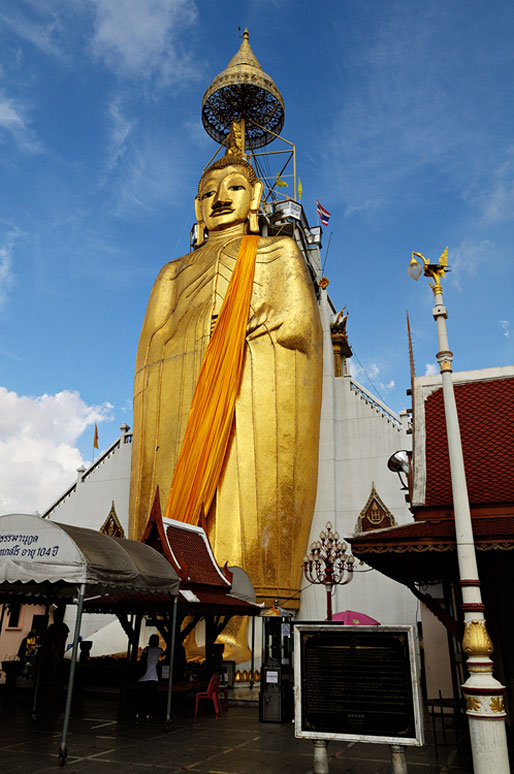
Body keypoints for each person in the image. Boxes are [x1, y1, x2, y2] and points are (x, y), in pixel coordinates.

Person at [129, 133, 323, 610]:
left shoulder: (279, 253)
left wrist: (237, 334)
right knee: (174, 497)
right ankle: (165, 600)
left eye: (233, 187)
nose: (219, 198)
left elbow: (298, 327)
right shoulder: (173, 271)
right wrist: (201, 333)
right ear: (197, 206)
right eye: (209, 191)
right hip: (182, 400)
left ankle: (244, 607)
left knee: (243, 493)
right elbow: (151, 344)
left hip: (249, 394)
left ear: (256, 197)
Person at [137, 634, 163, 721]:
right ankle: (149, 713)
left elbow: (141, 660)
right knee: (151, 697)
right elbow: (164, 657)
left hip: (142, 677)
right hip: (153, 677)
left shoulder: (146, 649)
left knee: (142, 697)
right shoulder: (159, 650)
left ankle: (141, 713)